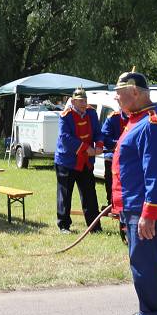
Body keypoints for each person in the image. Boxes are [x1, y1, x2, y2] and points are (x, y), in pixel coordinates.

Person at [112, 71, 157, 315]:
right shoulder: (138, 120)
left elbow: (156, 173)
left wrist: (149, 214)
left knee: (144, 266)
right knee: (147, 264)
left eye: (120, 93)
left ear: (135, 92)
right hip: (134, 204)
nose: (116, 98)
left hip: (143, 208)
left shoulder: (150, 124)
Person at [54, 89, 103, 234]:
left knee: (89, 194)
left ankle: (94, 226)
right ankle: (63, 226)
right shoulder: (65, 116)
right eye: (81, 101)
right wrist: (86, 148)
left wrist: (99, 145)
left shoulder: (91, 113)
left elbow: (98, 132)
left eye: (85, 101)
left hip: (86, 161)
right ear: (73, 101)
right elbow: (65, 138)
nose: (84, 104)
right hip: (67, 161)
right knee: (65, 194)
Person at [100, 109, 128, 207]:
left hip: (129, 158)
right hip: (112, 155)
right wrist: (119, 144)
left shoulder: (139, 118)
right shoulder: (113, 118)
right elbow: (104, 137)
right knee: (111, 182)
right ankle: (111, 203)